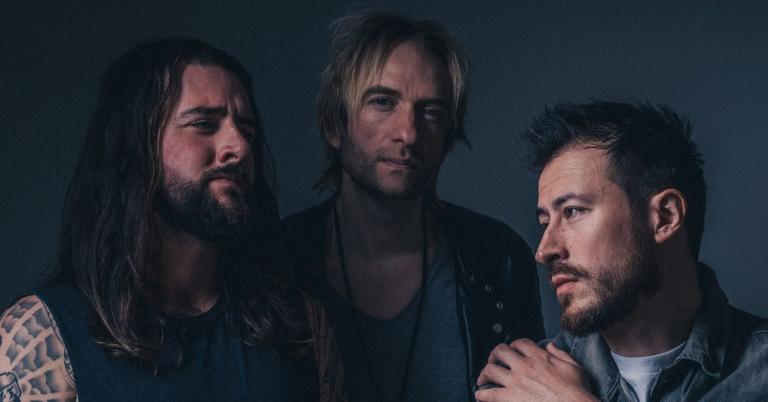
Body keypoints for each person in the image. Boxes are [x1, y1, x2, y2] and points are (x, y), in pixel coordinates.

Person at [0, 38, 344, 402]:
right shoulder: (45, 336)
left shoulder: (302, 325)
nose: (239, 147)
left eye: (247, 130)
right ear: (137, 146)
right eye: (204, 124)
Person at [281, 11, 544, 402]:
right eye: (383, 102)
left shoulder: (497, 258)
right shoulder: (276, 262)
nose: (408, 133)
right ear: (335, 125)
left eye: (431, 112)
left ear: (448, 136)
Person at [476, 101, 768, 402]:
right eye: (545, 222)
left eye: (573, 211)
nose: (544, 251)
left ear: (664, 217)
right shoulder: (517, 386)